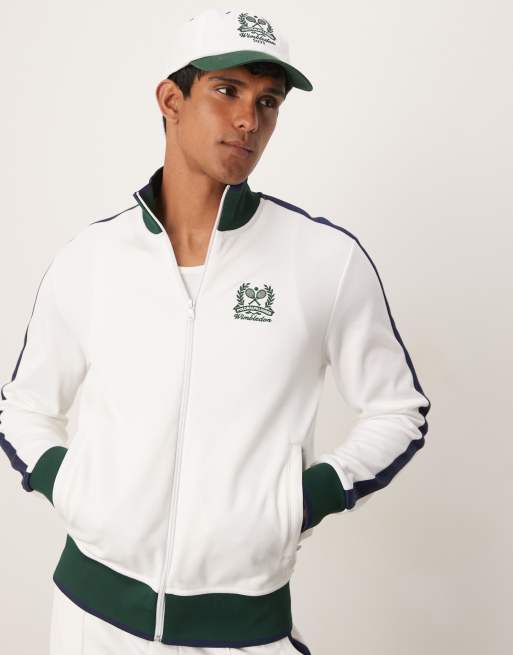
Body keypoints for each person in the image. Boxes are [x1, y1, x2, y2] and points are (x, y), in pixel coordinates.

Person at [0, 7, 432, 655]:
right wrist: (74, 486)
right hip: (90, 616)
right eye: (226, 91)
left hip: (243, 626)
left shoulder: (323, 260)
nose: (248, 120)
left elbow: (399, 410)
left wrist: (302, 500)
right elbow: (24, 407)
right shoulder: (91, 258)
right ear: (171, 100)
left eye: (268, 102)